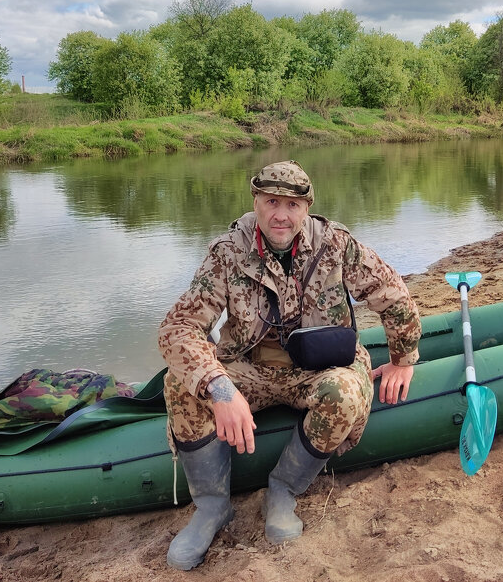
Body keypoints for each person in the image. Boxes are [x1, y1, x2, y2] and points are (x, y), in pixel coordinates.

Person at [158, 159, 422, 570]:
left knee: (345, 393)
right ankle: (211, 507)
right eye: (271, 201)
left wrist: (403, 360)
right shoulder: (228, 252)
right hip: (249, 366)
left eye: (293, 205)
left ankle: (283, 489)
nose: (281, 214)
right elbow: (179, 327)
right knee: (180, 384)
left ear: (307, 206)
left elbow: (392, 292)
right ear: (256, 201)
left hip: (321, 365)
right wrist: (220, 387)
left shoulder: (336, 244)